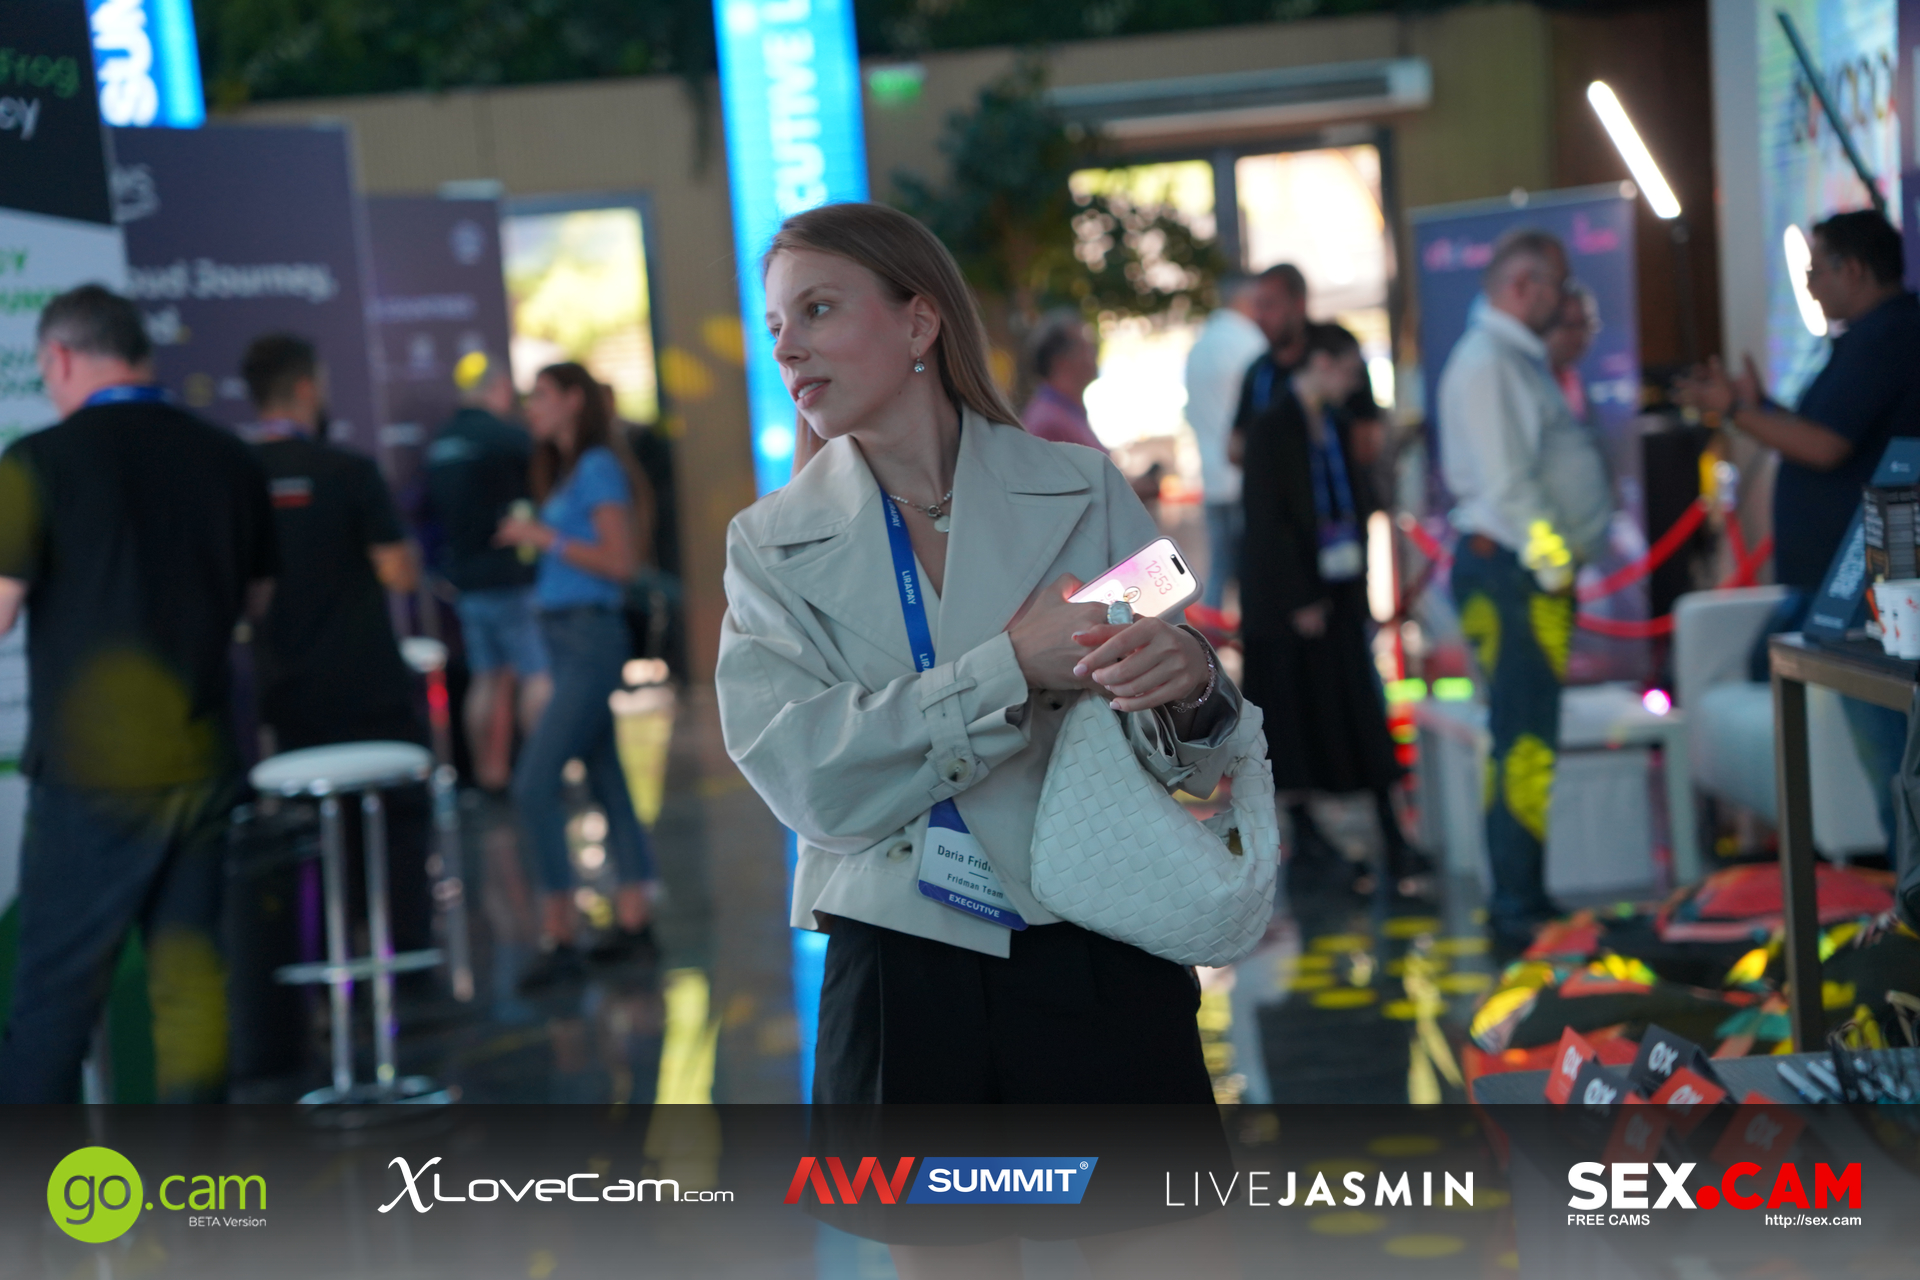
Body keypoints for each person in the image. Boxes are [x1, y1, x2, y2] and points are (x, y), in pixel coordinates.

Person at [717, 202, 1244, 1126]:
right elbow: (809, 782)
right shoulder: (768, 547)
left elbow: (1195, 757)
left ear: (919, 321)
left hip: (1100, 935)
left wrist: (1191, 681)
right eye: (776, 326)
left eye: (818, 310)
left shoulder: (1081, 488)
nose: (788, 347)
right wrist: (1009, 668)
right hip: (899, 970)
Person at [0, 285, 277, 1101]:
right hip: (202, 763)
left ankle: (37, 1189)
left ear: (59, 358)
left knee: (53, 1004)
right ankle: (202, 1184)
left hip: (91, 778)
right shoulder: (229, 456)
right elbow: (258, 602)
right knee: (190, 995)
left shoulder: (37, 461)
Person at [1675, 209, 1920, 844]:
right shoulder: (1869, 337)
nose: (1808, 285)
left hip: (1873, 579)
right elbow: (1829, 432)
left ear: (1853, 270)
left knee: (1893, 756)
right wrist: (1755, 406)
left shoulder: (1888, 336)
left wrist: (1734, 411)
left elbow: (1825, 447)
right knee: (1887, 755)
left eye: (1816, 270)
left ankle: (1909, 887)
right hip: (1854, 577)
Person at [1437, 229, 1612, 954]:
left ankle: (1525, 898)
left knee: (1528, 741)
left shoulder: (1508, 360)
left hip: (1519, 573)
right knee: (1524, 743)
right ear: (1521, 287)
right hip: (1513, 574)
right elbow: (1509, 487)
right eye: (1558, 286)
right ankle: (1517, 907)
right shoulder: (1490, 363)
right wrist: (1554, 565)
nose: (1567, 302)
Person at [241, 333, 436, 955]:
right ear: (306, 388)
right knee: (396, 818)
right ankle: (407, 962)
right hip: (366, 684)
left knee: (314, 829)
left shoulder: (235, 475)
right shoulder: (348, 471)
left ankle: (330, 958)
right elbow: (398, 572)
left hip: (286, 690)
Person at [1235, 323, 1424, 893]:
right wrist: (1298, 596)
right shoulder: (1272, 428)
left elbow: (1353, 503)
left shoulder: (1337, 426)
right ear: (1320, 363)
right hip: (1290, 607)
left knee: (1359, 712)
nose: (1352, 382)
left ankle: (1389, 834)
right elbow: (1266, 520)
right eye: (1346, 369)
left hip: (1337, 596)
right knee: (1294, 721)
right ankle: (1310, 839)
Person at [493, 361, 657, 989]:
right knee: (606, 777)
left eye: (540, 395)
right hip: (567, 639)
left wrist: (544, 537)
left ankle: (559, 931)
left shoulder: (595, 468)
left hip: (590, 638)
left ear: (572, 400)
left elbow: (621, 562)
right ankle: (635, 919)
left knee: (534, 783)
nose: (530, 407)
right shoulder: (568, 471)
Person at [424, 357, 552, 790]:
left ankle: (490, 776)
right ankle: (543, 776)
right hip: (512, 576)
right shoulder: (507, 437)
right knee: (536, 674)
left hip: (467, 582)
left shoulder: (441, 442)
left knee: (487, 678)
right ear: (499, 388)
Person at [1183, 272, 1269, 611]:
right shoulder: (1249, 343)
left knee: (1219, 574)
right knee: (1255, 577)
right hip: (1245, 479)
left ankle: (1211, 643)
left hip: (1213, 478)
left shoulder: (1200, 345)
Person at [1020, 309, 1162, 502]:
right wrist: (1133, 490)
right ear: (1061, 360)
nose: (1094, 353)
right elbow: (1077, 499)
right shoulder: (1050, 422)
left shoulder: (1061, 412)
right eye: (1086, 347)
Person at [1546, 279, 1601, 422]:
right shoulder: (1529, 381)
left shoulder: (1573, 379)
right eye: (1569, 325)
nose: (1579, 335)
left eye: (1586, 324)